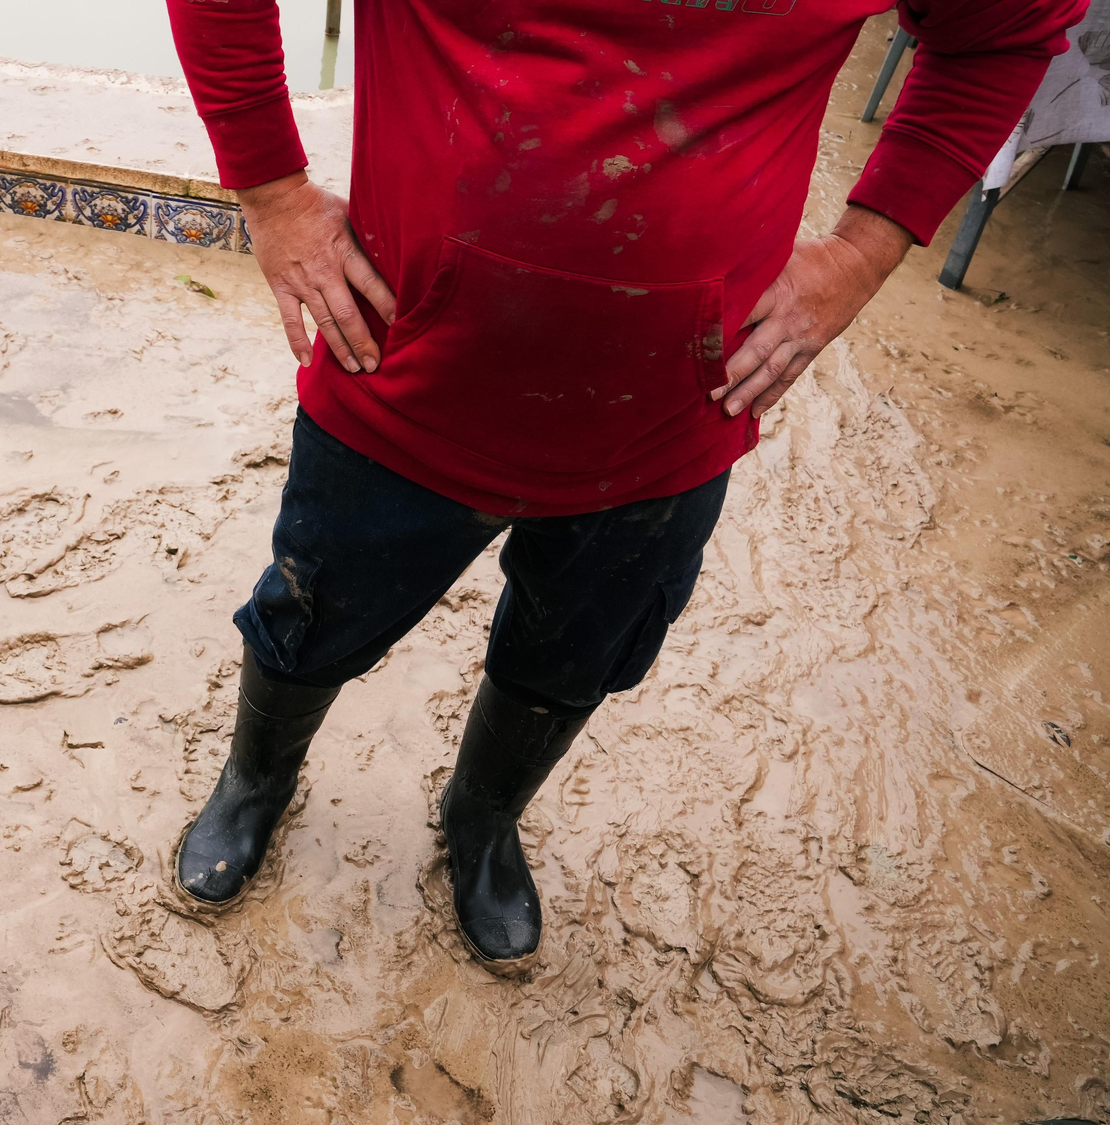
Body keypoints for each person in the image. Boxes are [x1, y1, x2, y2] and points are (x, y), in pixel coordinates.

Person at [165, 0, 1083, 968]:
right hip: (403, 370)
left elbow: (1003, 31)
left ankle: (479, 821)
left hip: (669, 412)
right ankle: (255, 780)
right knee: (314, 612)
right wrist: (269, 190)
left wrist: (863, 250)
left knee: (574, 651)